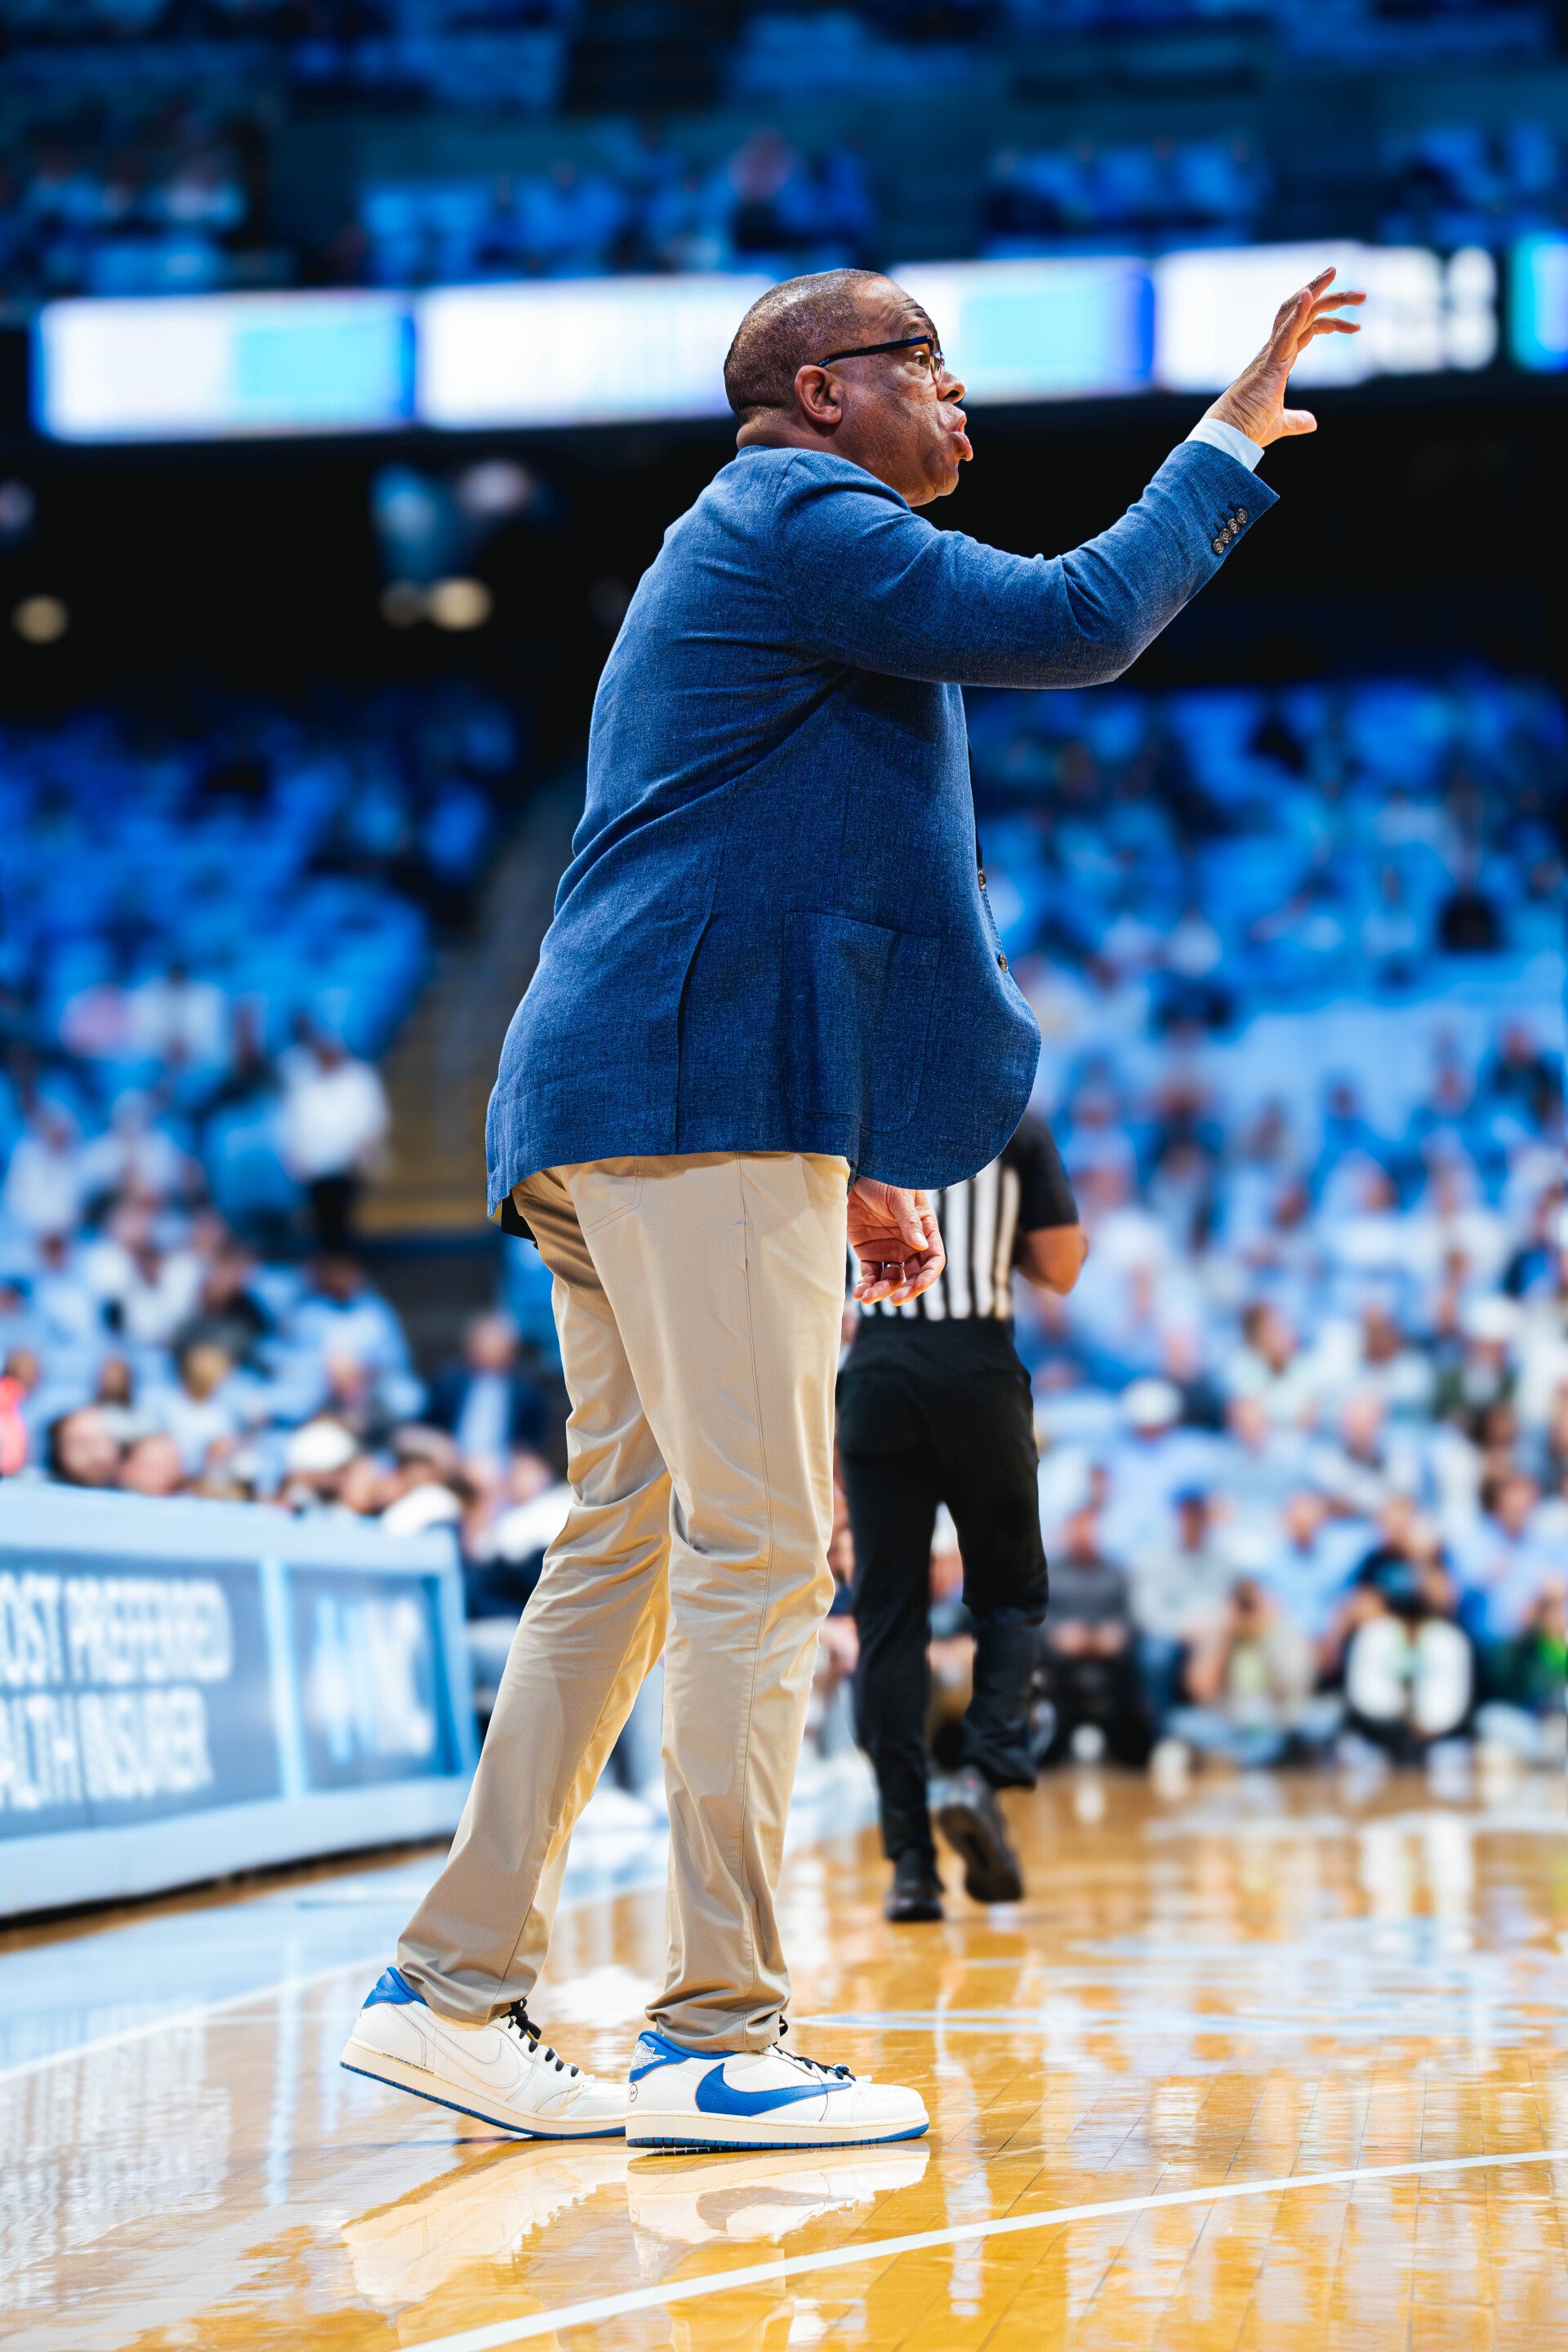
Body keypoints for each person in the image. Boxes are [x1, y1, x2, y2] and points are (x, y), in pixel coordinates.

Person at [342, 258, 1361, 2151]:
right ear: (824, 391)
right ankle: (715, 2031)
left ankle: (449, 1985)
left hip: (631, 1088)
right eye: (930, 366)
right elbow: (1081, 618)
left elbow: (782, 862)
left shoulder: (763, 550)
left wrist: (864, 1148)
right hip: (695, 1090)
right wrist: (1226, 439)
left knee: (625, 1544)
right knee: (756, 1553)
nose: (962, 405)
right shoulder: (804, 514)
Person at [837, 1111, 1088, 1922]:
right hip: (976, 1370)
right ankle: (982, 1773)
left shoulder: (855, 1117)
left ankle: (911, 1865)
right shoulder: (1012, 1123)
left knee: (888, 1622)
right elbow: (1060, 1268)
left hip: (876, 1373)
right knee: (1009, 1596)